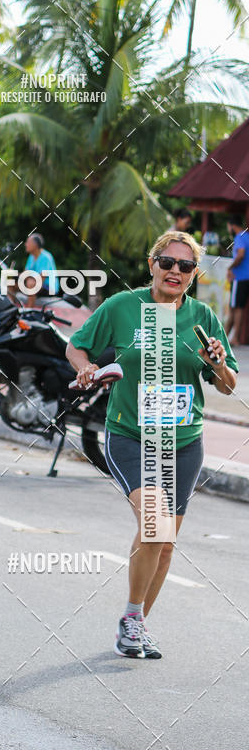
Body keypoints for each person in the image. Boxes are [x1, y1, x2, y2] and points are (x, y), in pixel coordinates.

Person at [66, 230, 238, 660]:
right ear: (151, 265)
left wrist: (218, 363)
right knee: (154, 522)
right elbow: (76, 346)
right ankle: (131, 617)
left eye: (185, 266)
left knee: (164, 544)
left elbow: (228, 385)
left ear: (194, 274)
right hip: (130, 435)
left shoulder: (203, 320)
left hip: (183, 443)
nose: (174, 271)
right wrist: (86, 368)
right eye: (167, 262)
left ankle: (135, 623)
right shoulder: (122, 307)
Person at [225, 214, 249, 346]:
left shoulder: (239, 237)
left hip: (239, 277)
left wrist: (230, 267)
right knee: (239, 307)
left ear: (231, 225)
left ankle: (233, 337)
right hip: (247, 277)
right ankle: (233, 336)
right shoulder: (247, 236)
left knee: (235, 308)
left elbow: (240, 254)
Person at [21, 233, 58, 308]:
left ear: (35, 245)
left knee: (31, 284)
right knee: (11, 284)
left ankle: (28, 312)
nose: (25, 244)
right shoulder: (31, 256)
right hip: (35, 284)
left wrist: (27, 279)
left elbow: (41, 279)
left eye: (28, 242)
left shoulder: (46, 257)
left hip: (48, 287)